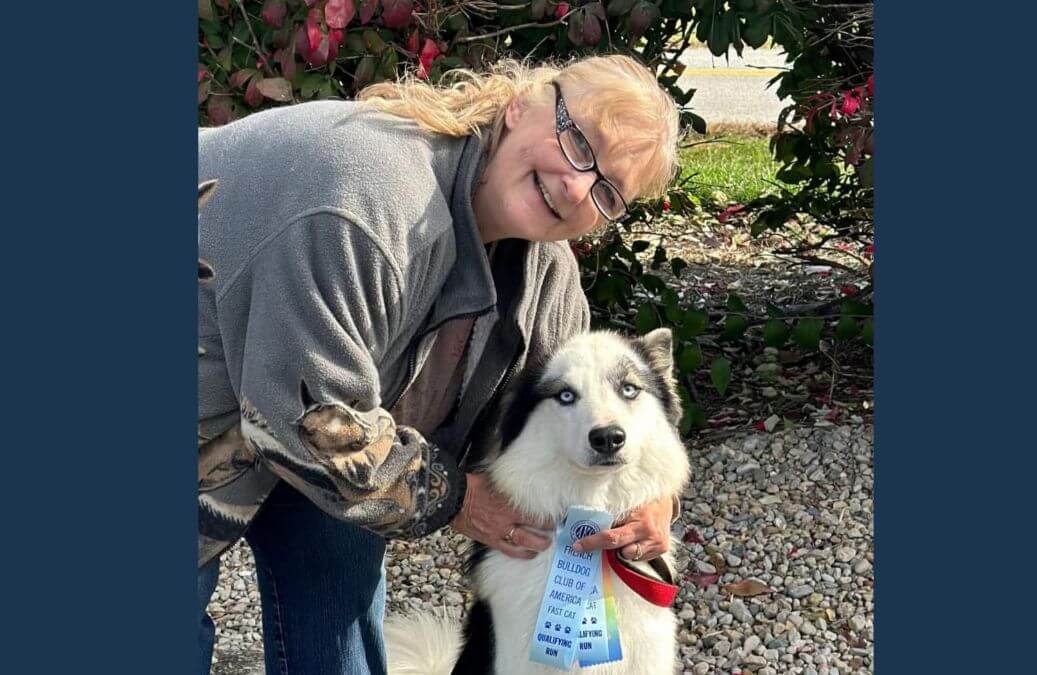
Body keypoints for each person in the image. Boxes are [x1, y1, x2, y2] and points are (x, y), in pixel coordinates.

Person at [197, 54, 681, 674]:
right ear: (522, 106)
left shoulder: (546, 276)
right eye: (579, 142)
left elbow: (573, 421)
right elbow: (304, 426)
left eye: (608, 191)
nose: (577, 186)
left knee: (339, 610)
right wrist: (458, 498)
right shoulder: (368, 201)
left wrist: (645, 500)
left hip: (313, 421)